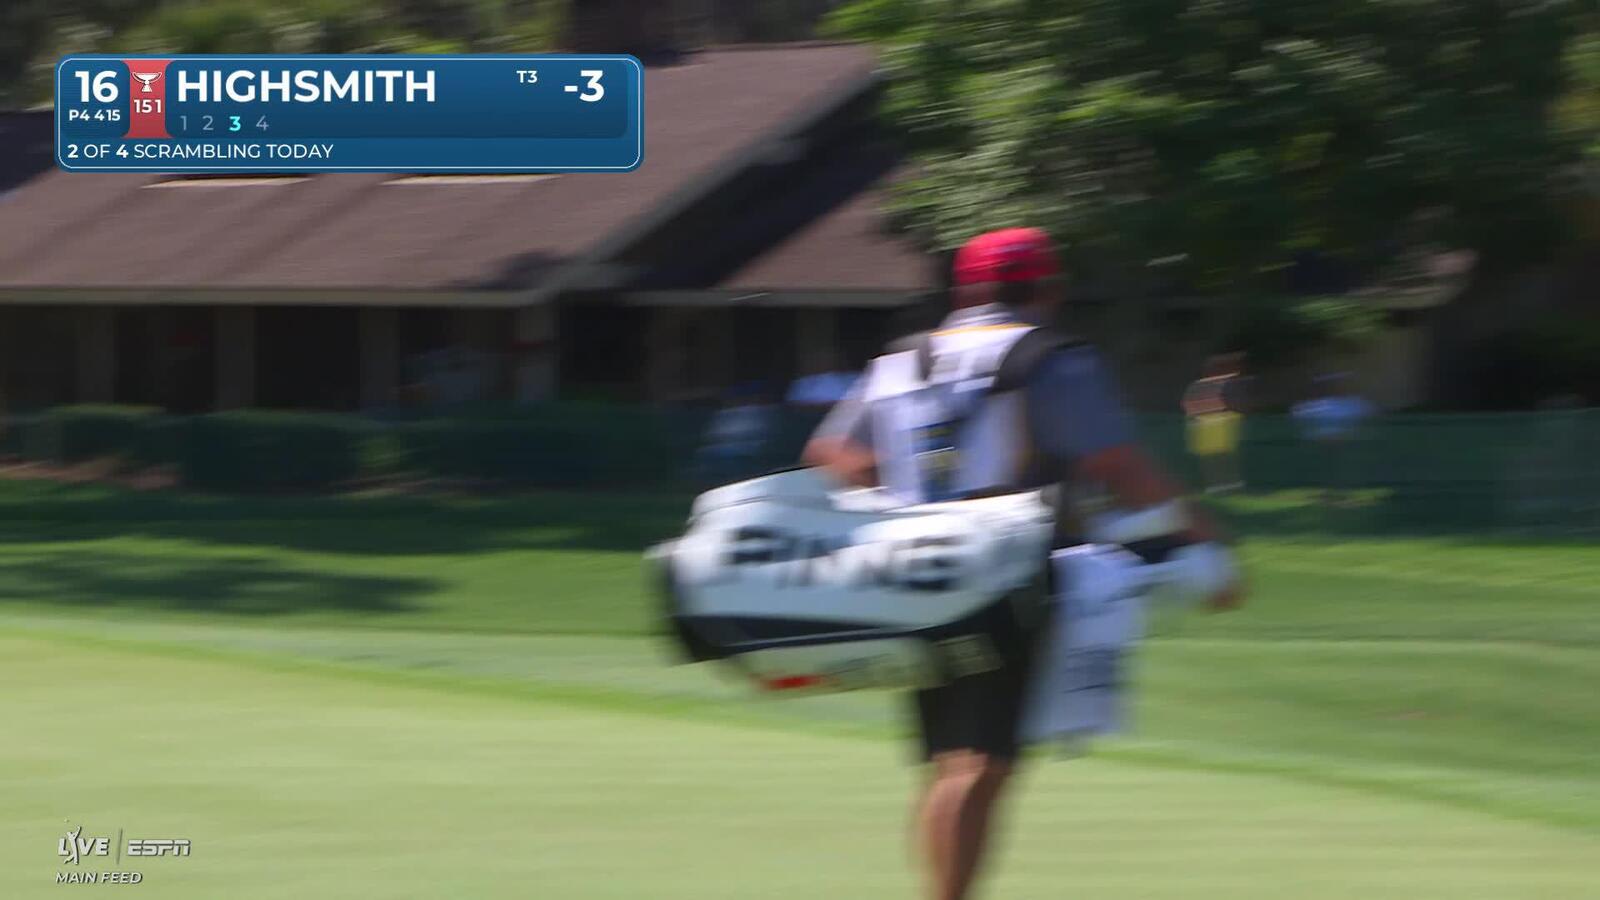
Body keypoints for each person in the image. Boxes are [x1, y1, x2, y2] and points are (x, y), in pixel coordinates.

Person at [802, 227, 1241, 900]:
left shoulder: (902, 359)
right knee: (981, 763)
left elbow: (836, 455)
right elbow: (1119, 466)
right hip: (1007, 572)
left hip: (915, 569)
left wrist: (903, 507)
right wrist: (1205, 540)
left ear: (966, 289)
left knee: (951, 759)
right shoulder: (1052, 357)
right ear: (1049, 289)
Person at [1291, 372, 1375, 502]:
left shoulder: (1350, 403)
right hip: (1325, 445)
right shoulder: (1319, 405)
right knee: (1328, 470)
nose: (1334, 388)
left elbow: (1367, 415)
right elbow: (1299, 415)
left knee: (1338, 469)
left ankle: (1339, 492)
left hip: (1344, 445)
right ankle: (1330, 493)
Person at [1181, 353, 1249, 493]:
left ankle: (1230, 484)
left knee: (1226, 457)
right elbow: (1188, 405)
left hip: (1222, 425)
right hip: (1206, 427)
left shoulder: (1227, 383)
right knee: (1212, 459)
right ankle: (1216, 486)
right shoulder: (1200, 386)